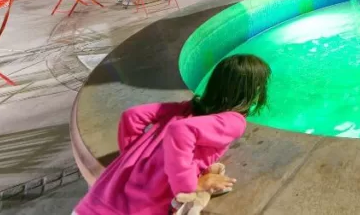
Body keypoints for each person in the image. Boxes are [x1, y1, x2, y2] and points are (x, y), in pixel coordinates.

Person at [75, 55, 270, 215]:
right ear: (253, 91)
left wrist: (137, 160)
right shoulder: (234, 121)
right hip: (136, 208)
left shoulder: (186, 108)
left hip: (97, 200)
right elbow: (181, 131)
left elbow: (131, 116)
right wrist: (188, 184)